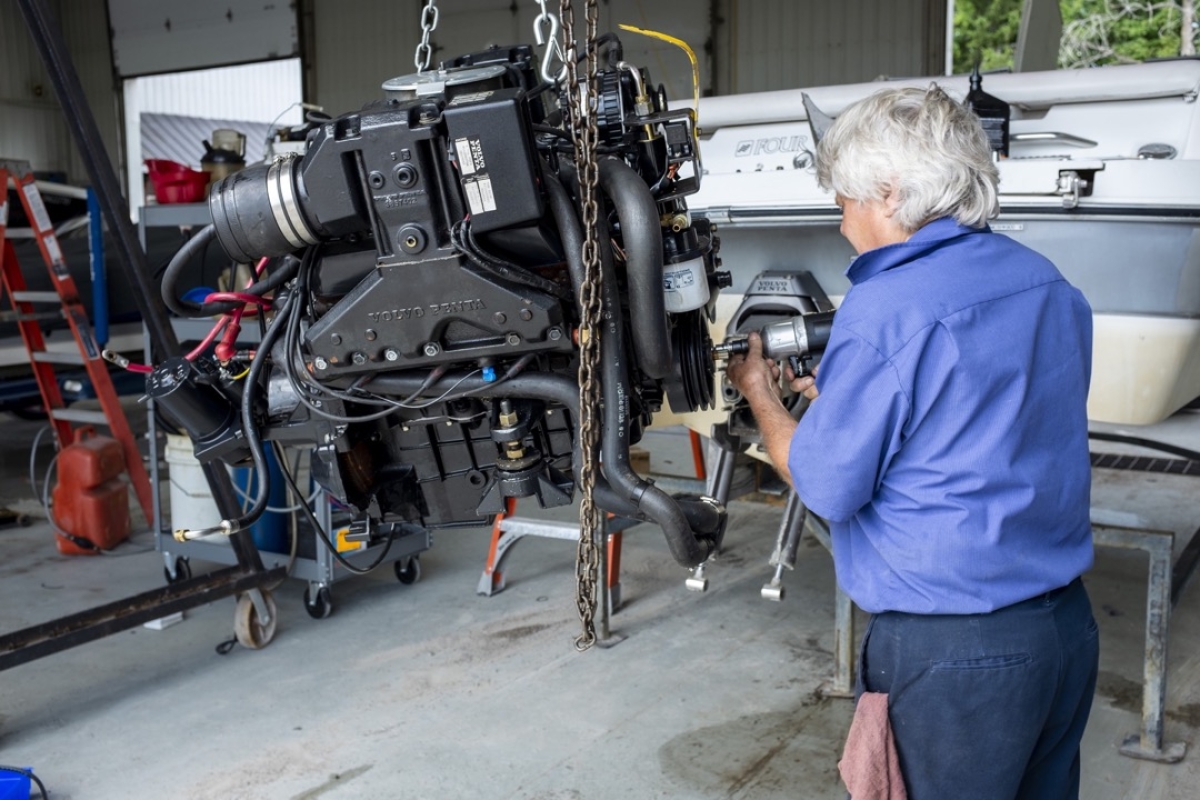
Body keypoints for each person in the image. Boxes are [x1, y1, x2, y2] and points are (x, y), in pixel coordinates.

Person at [724, 85, 1099, 800]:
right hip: (1063, 634)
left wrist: (762, 397)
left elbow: (826, 483)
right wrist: (845, 403)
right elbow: (987, 422)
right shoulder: (1046, 283)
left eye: (843, 202)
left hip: (954, 651)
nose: (841, 224)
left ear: (890, 193)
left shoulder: (886, 308)